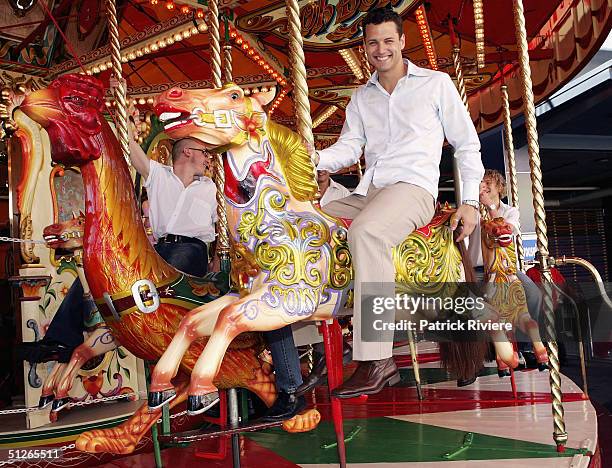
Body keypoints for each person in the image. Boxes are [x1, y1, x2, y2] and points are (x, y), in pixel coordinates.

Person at [312, 7, 484, 399]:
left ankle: (376, 357)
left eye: (388, 40)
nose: (380, 49)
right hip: (371, 191)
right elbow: (349, 147)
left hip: (413, 189)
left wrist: (470, 201)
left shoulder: (435, 84)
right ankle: (323, 330)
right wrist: (314, 157)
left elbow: (466, 143)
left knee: (368, 233)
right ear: (365, 47)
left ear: (403, 42)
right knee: (308, 223)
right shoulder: (361, 97)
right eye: (373, 42)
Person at [19, 119, 218, 364]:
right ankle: (59, 340)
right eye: (205, 153)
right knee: (94, 275)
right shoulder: (158, 175)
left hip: (191, 250)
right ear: (188, 152)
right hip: (157, 249)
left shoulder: (211, 188)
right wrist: (121, 116)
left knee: (163, 270)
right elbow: (129, 147)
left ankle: (144, 327)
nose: (209, 159)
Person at [468, 169, 543, 365]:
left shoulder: (510, 211)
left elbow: (507, 230)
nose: (482, 186)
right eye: (480, 183)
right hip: (477, 270)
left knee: (533, 294)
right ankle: (484, 350)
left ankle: (526, 344)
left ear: (499, 187)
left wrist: (491, 208)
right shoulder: (472, 211)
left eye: (487, 183)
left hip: (506, 268)